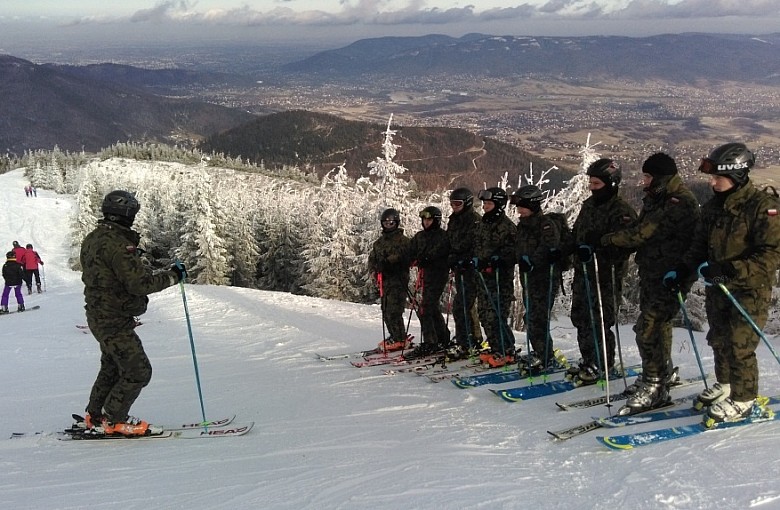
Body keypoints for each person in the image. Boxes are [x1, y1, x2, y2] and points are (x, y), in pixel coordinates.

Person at [664, 143, 780, 423]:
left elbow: (771, 255)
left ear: (737, 175)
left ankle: (744, 399)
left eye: (718, 177)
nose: (712, 182)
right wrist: (683, 269)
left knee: (740, 346)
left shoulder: (762, 207)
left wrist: (730, 269)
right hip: (719, 287)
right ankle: (727, 384)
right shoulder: (714, 207)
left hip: (749, 289)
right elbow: (699, 245)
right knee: (719, 340)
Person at [598, 153, 700, 413]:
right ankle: (660, 372)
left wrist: (609, 240)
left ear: (661, 178)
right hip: (653, 272)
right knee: (657, 327)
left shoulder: (677, 203)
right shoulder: (658, 198)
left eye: (647, 177)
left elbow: (644, 232)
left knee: (649, 328)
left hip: (671, 275)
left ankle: (655, 385)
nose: (643, 182)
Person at [81, 190, 186, 436]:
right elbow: (139, 284)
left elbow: (107, 271)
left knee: (112, 366)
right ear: (126, 213)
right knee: (138, 370)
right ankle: (114, 419)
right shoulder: (119, 244)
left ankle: (95, 415)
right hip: (114, 318)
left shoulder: (94, 237)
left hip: (99, 315)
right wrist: (173, 276)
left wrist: (135, 260)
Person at [569, 159, 638, 385]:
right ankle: (588, 358)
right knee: (581, 317)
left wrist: (600, 247)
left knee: (600, 320)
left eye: (596, 183)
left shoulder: (622, 211)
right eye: (590, 182)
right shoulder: (589, 206)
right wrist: (574, 248)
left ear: (611, 184)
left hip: (605, 276)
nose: (591, 187)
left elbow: (628, 243)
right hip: (584, 273)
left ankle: (603, 362)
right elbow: (577, 233)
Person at [512, 185, 564, 371]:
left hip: (544, 279)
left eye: (522, 205)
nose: (519, 209)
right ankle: (541, 351)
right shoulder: (523, 226)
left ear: (533, 205)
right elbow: (518, 248)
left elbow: (549, 247)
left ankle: (545, 356)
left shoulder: (545, 224)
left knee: (537, 318)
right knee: (532, 316)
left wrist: (532, 261)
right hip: (529, 279)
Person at [473, 187, 517, 368]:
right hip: (483, 278)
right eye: (484, 204)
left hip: (500, 280)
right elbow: (477, 245)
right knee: (484, 314)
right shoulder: (484, 224)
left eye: (489, 204)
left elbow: (513, 251)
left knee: (496, 315)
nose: (484, 207)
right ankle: (495, 346)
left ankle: (507, 348)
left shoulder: (507, 227)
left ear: (499, 205)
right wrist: (475, 260)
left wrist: (497, 260)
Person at [406, 206, 452, 358]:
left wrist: (429, 259)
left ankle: (430, 342)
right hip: (425, 275)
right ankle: (442, 337)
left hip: (438, 274)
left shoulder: (442, 236)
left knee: (426, 307)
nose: (426, 222)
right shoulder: (420, 236)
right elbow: (410, 251)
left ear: (436, 220)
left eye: (429, 219)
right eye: (424, 219)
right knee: (429, 307)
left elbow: (441, 254)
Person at [445, 187, 483, 360]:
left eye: (458, 203)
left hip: (471, 270)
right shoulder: (454, 220)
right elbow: (450, 241)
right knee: (464, 305)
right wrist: (451, 257)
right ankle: (469, 338)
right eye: (452, 203)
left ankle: (468, 341)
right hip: (459, 268)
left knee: (462, 306)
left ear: (466, 203)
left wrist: (467, 259)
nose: (454, 207)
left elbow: (477, 244)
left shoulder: (474, 220)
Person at [368, 208, 412, 353]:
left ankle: (399, 337)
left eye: (391, 222)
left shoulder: (403, 241)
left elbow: (404, 257)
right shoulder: (379, 243)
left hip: (398, 280)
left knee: (394, 310)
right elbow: (372, 259)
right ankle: (394, 335)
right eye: (385, 223)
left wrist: (390, 263)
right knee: (386, 310)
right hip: (385, 281)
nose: (388, 225)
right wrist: (375, 270)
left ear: (396, 223)